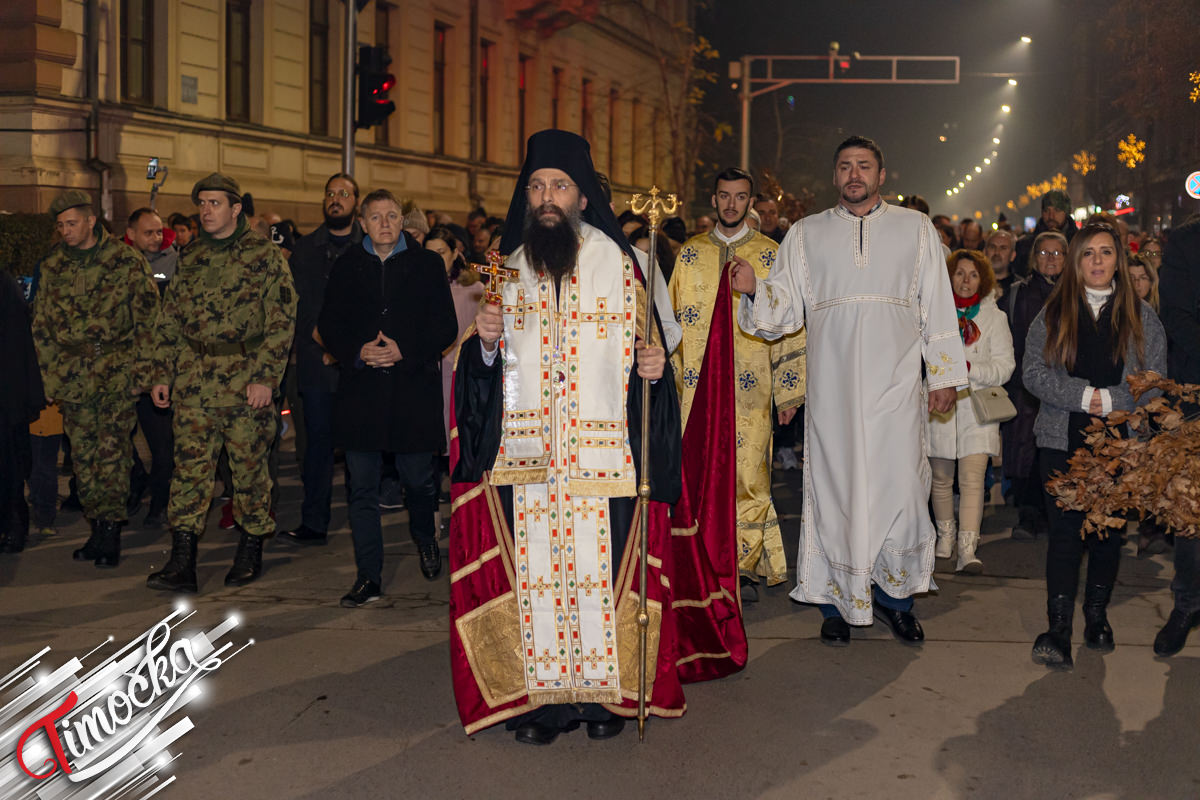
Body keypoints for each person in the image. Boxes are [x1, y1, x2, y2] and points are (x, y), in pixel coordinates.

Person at [450, 129, 734, 744]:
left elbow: (649, 359)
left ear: (583, 197)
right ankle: (542, 705)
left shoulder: (621, 264)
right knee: (536, 583)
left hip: (604, 457)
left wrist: (653, 368)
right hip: (526, 458)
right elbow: (477, 378)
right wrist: (487, 343)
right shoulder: (507, 268)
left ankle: (605, 699)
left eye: (560, 186)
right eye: (537, 186)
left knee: (599, 580)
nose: (547, 197)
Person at [732, 135, 966, 646]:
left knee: (901, 492)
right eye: (844, 166)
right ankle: (834, 602)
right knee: (836, 494)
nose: (854, 174)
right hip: (833, 395)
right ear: (834, 176)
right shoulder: (806, 234)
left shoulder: (916, 228)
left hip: (896, 390)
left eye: (863, 166)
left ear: (882, 175)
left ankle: (896, 600)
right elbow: (784, 308)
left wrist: (944, 374)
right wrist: (754, 289)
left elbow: (937, 303)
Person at [1023, 221, 1167, 669]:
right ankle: (1058, 629)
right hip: (1061, 438)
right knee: (1065, 534)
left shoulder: (1142, 316)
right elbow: (1033, 372)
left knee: (1106, 534)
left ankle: (1097, 617)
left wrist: (1114, 400)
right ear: (1076, 261)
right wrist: (1085, 397)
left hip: (1119, 442)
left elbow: (1154, 380)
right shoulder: (1054, 312)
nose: (1098, 260)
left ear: (1118, 260)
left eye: (1106, 252)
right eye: (1088, 253)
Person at [146, 173, 297, 593]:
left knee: (249, 470)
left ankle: (250, 548)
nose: (206, 210)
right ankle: (182, 560)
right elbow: (170, 319)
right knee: (189, 471)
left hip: (245, 380)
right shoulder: (191, 256)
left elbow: (282, 321)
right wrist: (161, 373)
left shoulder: (263, 255)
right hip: (194, 381)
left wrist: (265, 378)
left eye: (215, 203)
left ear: (235, 209)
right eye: (202, 203)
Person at [671, 167, 807, 601]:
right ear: (713, 200)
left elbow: (790, 324)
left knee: (749, 474)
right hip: (695, 384)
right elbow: (670, 324)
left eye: (740, 196)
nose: (731, 204)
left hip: (752, 385)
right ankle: (699, 558)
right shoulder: (689, 255)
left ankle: (743, 566)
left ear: (751, 202)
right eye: (724, 196)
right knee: (697, 469)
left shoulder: (770, 254)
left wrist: (789, 389)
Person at [318, 190, 458, 605]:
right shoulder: (347, 265)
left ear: (402, 221)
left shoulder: (426, 263)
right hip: (362, 394)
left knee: (418, 481)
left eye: (392, 216)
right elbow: (329, 323)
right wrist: (357, 351)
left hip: (411, 392)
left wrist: (405, 350)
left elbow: (445, 326)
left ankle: (425, 536)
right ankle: (369, 576)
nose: (384, 223)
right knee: (362, 488)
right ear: (362, 223)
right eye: (376, 217)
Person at [32, 190, 160, 567]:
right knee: (83, 458)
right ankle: (96, 525)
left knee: (113, 455)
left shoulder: (125, 260)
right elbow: (42, 325)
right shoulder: (53, 264)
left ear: (91, 221)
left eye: (72, 223)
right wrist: (48, 377)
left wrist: (145, 373)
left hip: (115, 371)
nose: (65, 231)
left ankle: (110, 530)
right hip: (72, 376)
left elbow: (149, 319)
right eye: (60, 225)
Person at [278, 173, 363, 547]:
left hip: (359, 366)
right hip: (316, 365)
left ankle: (363, 521)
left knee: (361, 448)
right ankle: (314, 522)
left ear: (355, 202)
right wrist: (326, 344)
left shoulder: (367, 246)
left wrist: (345, 350)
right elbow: (300, 306)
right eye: (330, 193)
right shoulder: (306, 249)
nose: (335, 199)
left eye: (344, 193)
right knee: (317, 447)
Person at [929, 249, 1015, 573]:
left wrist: (968, 369)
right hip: (939, 404)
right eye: (959, 273)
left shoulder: (995, 317)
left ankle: (967, 548)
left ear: (984, 280)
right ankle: (945, 537)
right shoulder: (934, 313)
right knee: (940, 477)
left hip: (977, 408)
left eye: (974, 274)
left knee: (973, 479)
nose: (965, 281)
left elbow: (1005, 367)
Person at [1153, 215, 1200, 656]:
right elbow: (1178, 318)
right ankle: (1187, 603)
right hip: (1195, 393)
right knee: (1191, 507)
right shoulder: (1185, 242)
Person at [1002, 231, 1067, 540]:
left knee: (1058, 452)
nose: (1050, 259)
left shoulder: (1078, 293)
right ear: (1033, 258)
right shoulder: (1019, 294)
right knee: (1028, 451)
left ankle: (1057, 516)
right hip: (1026, 388)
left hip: (1066, 388)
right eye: (1043, 253)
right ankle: (1029, 514)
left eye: (1057, 253)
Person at [124, 207, 179, 528]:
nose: (157, 238)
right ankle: (136, 481)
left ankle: (159, 502)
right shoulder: (118, 266)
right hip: (125, 372)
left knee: (162, 445)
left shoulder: (174, 264)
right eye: (149, 232)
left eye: (159, 231)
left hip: (159, 372)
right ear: (131, 234)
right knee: (118, 438)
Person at [425, 225, 484, 485]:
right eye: (430, 254)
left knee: (457, 437)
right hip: (429, 374)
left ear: (454, 253)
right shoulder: (419, 286)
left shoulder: (472, 289)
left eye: (441, 252)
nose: (436, 260)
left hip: (459, 374)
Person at [0, 271, 45, 553]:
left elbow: (15, 345)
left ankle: (15, 524)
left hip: (6, 396)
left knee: (9, 464)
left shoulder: (4, 286)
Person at [1015, 190, 1078, 271]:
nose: (1051, 216)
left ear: (1066, 212)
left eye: (1057, 210)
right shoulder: (1025, 245)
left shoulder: (1079, 243)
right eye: (1046, 211)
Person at [984, 228, 1018, 295]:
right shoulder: (972, 284)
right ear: (984, 252)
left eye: (1003, 248)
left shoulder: (1021, 289)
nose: (997, 252)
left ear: (1012, 255)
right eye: (992, 247)